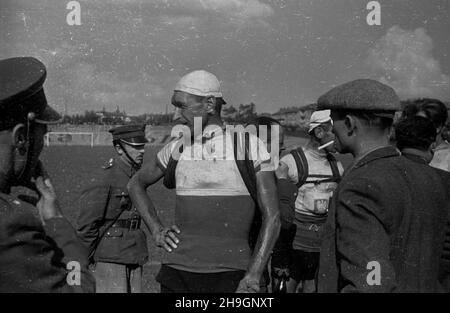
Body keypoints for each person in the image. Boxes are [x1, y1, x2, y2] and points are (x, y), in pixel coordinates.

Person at [128, 70, 280, 293]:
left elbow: (273, 216)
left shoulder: (250, 146)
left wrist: (255, 274)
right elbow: (135, 184)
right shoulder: (176, 147)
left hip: (232, 274)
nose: (175, 116)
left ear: (210, 104)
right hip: (176, 273)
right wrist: (157, 230)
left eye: (182, 106)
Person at [317, 79, 450, 292]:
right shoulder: (435, 179)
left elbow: (370, 282)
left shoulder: (360, 185)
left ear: (350, 124)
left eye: (334, 123)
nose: (331, 132)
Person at [0, 56, 95, 292]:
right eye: (41, 136)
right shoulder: (10, 225)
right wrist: (57, 224)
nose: (42, 146)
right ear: (21, 138)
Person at [274, 110, 343, 293]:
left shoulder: (339, 167)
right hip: (294, 247)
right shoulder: (291, 162)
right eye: (335, 134)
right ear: (319, 132)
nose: (340, 139)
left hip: (320, 248)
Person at [77, 125, 149, 293]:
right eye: (136, 147)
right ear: (119, 148)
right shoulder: (105, 177)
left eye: (142, 146)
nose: (142, 151)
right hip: (111, 258)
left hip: (134, 254)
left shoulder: (136, 175)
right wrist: (81, 260)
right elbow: (87, 225)